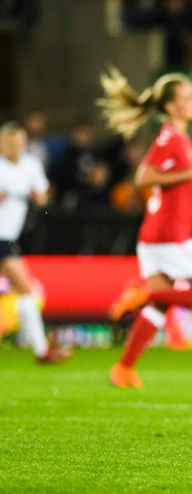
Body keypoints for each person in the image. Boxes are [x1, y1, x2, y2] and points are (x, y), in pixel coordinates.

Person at [97, 68, 192, 388]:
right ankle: (143, 292)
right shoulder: (169, 138)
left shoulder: (178, 138)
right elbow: (143, 179)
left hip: (154, 237)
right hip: (170, 236)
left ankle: (123, 368)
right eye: (187, 98)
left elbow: (186, 183)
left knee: (160, 305)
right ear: (170, 106)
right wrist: (190, 171)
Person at [0, 122, 70, 363]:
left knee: (25, 290)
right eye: (9, 142)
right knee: (25, 290)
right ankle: (41, 351)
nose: (14, 146)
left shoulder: (30, 165)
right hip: (2, 240)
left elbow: (43, 197)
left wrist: (40, 196)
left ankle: (41, 350)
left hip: (8, 239)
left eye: (18, 142)